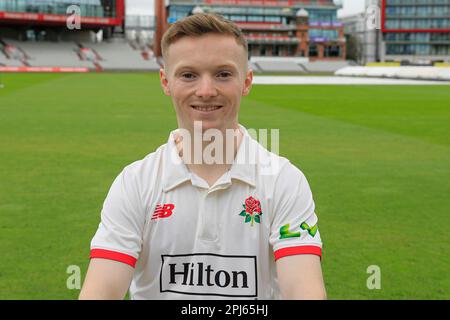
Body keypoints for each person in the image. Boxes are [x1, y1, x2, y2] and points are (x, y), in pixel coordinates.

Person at [79, 13, 326, 300]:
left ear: (246, 82)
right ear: (165, 82)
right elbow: (101, 292)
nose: (206, 91)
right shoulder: (134, 182)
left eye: (223, 74)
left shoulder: (285, 181)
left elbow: (303, 290)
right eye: (188, 75)